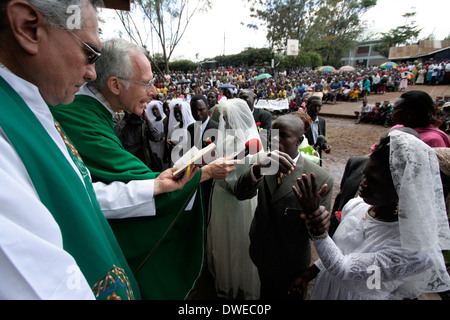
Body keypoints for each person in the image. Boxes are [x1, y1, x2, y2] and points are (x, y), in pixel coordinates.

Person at [50, 38, 239, 299]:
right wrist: (204, 173)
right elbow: (133, 183)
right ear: (115, 84)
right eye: (147, 83)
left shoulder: (93, 110)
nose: (154, 92)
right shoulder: (77, 115)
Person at [0, 0, 159, 299]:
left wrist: (152, 188)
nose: (91, 73)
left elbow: (77, 194)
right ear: (28, 28)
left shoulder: (33, 109)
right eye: (89, 53)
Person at [291, 130, 450, 300]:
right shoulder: (357, 206)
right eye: (365, 175)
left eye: (373, 181)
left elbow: (344, 268)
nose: (362, 184)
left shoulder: (415, 248)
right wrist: (309, 273)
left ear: (403, 189)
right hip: (327, 288)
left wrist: (318, 230)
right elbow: (340, 250)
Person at [234, 114, 334, 299]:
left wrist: (314, 215)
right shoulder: (265, 163)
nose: (275, 141)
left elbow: (318, 232)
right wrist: (256, 169)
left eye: (283, 136)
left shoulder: (319, 178)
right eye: (273, 134)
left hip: (291, 263)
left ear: (300, 140)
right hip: (261, 252)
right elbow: (241, 193)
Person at [207, 98, 262, 300]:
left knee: (243, 239)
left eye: (227, 121)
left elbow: (258, 171)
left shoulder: (254, 143)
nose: (225, 125)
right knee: (225, 239)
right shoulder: (222, 141)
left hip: (242, 199)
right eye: (224, 121)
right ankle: (228, 282)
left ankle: (243, 283)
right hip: (223, 196)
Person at [305, 96, 331, 166]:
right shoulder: (301, 120)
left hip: (317, 158)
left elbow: (322, 138)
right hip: (305, 158)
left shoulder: (321, 121)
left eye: (319, 106)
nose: (317, 109)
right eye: (314, 106)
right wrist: (309, 148)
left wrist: (326, 146)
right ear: (307, 106)